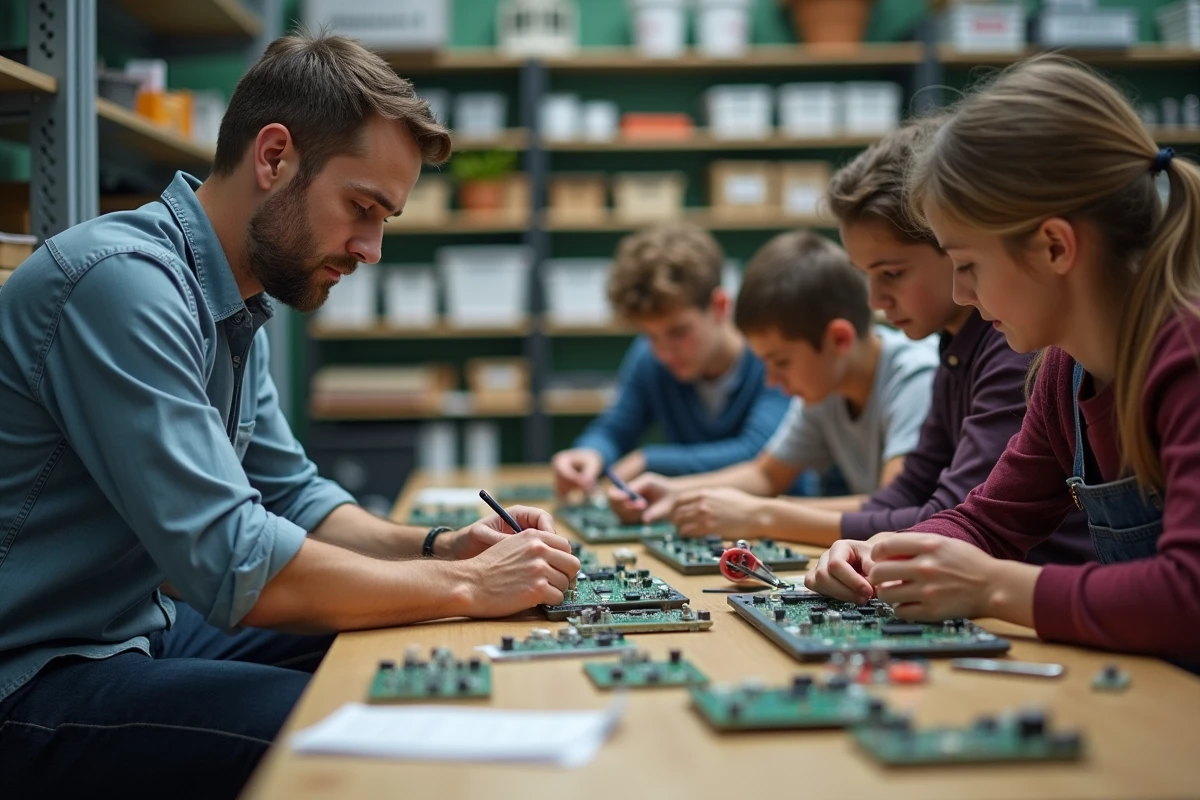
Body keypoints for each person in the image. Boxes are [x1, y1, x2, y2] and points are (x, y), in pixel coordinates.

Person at [0, 32, 578, 797]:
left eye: (385, 220)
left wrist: (443, 550)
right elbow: (237, 562)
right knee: (362, 731)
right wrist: (469, 587)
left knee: (408, 651)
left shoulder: (236, 301)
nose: (371, 249)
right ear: (274, 157)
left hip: (135, 635)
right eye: (362, 208)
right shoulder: (122, 285)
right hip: (32, 680)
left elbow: (295, 500)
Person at [806, 55, 1200, 664]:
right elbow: (987, 522)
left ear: (1053, 247)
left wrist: (993, 586)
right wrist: (884, 551)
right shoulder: (1062, 372)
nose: (961, 294)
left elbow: (1187, 596)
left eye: (967, 266)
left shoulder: (1185, 355)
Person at [671, 117, 1090, 560]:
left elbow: (945, 514)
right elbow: (910, 498)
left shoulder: (1012, 347)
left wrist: (766, 517)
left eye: (891, 273)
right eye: (865, 276)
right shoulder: (954, 351)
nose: (875, 299)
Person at [612, 230, 940, 537]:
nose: (771, 379)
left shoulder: (915, 378)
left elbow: (895, 509)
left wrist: (761, 515)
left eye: (781, 362)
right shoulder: (827, 385)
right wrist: (677, 492)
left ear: (839, 339)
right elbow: (766, 475)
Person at [551, 222, 789, 496]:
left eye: (678, 332)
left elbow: (760, 453)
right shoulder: (649, 358)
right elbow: (615, 427)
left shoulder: (771, 359)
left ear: (720, 306)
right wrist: (590, 454)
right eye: (650, 335)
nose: (663, 352)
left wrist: (649, 461)